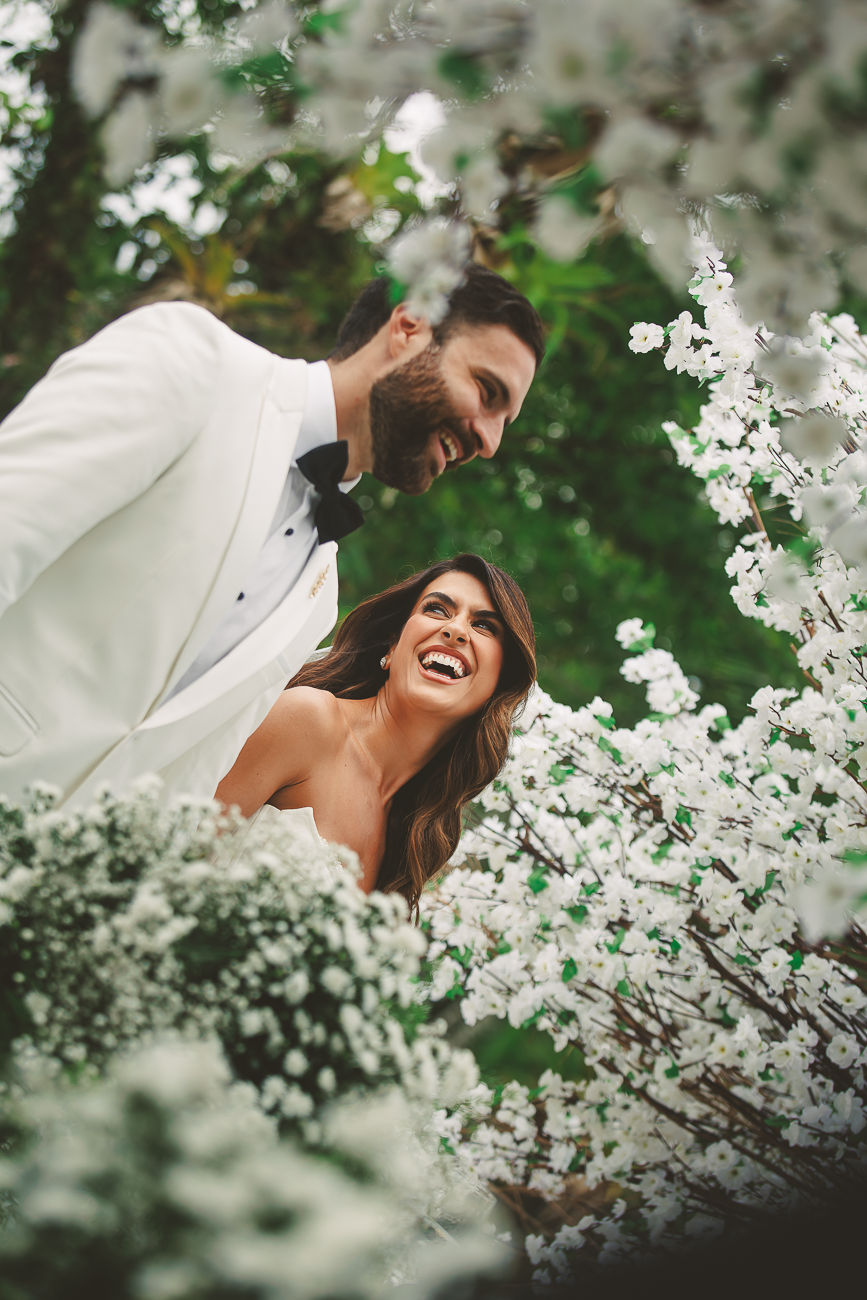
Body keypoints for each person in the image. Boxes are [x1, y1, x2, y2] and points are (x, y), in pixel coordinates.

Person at [0, 267, 544, 807]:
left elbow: (190, 770)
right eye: (486, 390)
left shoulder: (317, 596)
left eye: (505, 421)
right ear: (409, 328)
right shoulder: (193, 363)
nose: (490, 441)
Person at [216, 554, 536, 908]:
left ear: (498, 683)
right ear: (393, 645)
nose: (455, 629)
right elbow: (165, 849)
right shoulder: (307, 720)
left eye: (484, 626)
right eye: (437, 610)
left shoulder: (416, 837)